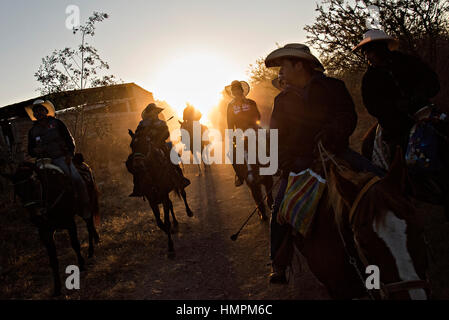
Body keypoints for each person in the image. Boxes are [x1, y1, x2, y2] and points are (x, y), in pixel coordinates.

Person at [264, 43, 359, 283]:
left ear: (299, 64)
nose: (280, 73)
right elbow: (276, 136)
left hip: (337, 153)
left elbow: (348, 115)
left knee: (379, 181)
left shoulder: (333, 87)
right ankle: (279, 261)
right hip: (300, 162)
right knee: (280, 207)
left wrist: (333, 133)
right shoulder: (282, 100)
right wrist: (285, 161)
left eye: (284, 67)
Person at [353, 29, 440, 167]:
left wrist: (419, 95)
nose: (367, 56)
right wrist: (395, 106)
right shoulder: (370, 78)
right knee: (400, 156)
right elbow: (372, 106)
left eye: (370, 51)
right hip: (395, 124)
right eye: (365, 52)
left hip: (424, 111)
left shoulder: (408, 62)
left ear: (381, 48)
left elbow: (432, 82)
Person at [27, 99, 91, 218]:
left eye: (41, 110)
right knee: (31, 183)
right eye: (36, 111)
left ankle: (85, 204)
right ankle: (39, 209)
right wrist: (35, 151)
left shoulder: (57, 124)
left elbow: (69, 140)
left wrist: (69, 155)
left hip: (60, 158)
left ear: (46, 111)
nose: (38, 113)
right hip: (43, 161)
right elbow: (30, 150)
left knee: (77, 179)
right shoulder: (32, 131)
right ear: (34, 114)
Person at [129, 103, 190, 197]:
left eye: (155, 112)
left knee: (172, 157)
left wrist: (156, 134)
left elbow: (166, 134)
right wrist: (135, 135)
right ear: (148, 113)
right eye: (152, 112)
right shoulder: (142, 123)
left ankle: (180, 179)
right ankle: (137, 187)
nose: (154, 114)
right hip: (145, 146)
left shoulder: (161, 123)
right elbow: (138, 133)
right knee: (134, 161)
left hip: (160, 145)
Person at [226, 80, 261, 187]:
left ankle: (276, 166)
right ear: (232, 92)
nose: (236, 92)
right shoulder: (230, 106)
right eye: (234, 90)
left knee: (270, 140)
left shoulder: (251, 102)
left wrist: (253, 125)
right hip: (239, 133)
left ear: (241, 90)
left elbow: (258, 116)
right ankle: (239, 176)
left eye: (237, 89)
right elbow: (230, 123)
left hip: (254, 129)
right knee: (231, 154)